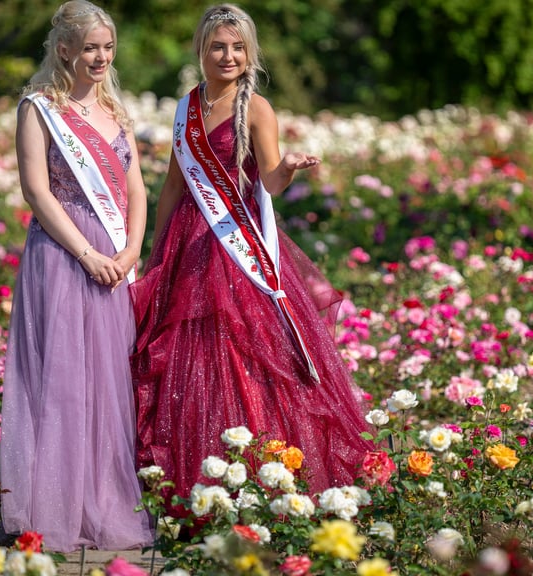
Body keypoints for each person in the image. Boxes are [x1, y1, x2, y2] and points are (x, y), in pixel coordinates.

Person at [131, 3, 373, 511]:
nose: (228, 55)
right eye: (218, 45)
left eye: (237, 47)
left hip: (235, 244)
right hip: (187, 245)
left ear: (250, 53)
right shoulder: (185, 108)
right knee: (188, 358)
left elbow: (267, 183)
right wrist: (156, 251)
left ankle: (263, 481)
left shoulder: (257, 108)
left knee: (248, 354)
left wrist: (285, 167)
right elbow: (174, 184)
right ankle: (194, 486)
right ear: (202, 49)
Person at [0, 0, 152, 552]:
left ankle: (101, 499)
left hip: (114, 260)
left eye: (107, 47)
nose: (101, 58)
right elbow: (37, 192)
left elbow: (136, 190)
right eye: (90, 48)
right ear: (64, 48)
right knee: (61, 384)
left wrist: (131, 249)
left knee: (108, 384)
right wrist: (88, 254)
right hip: (63, 256)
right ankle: (53, 507)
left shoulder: (116, 110)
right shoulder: (38, 109)